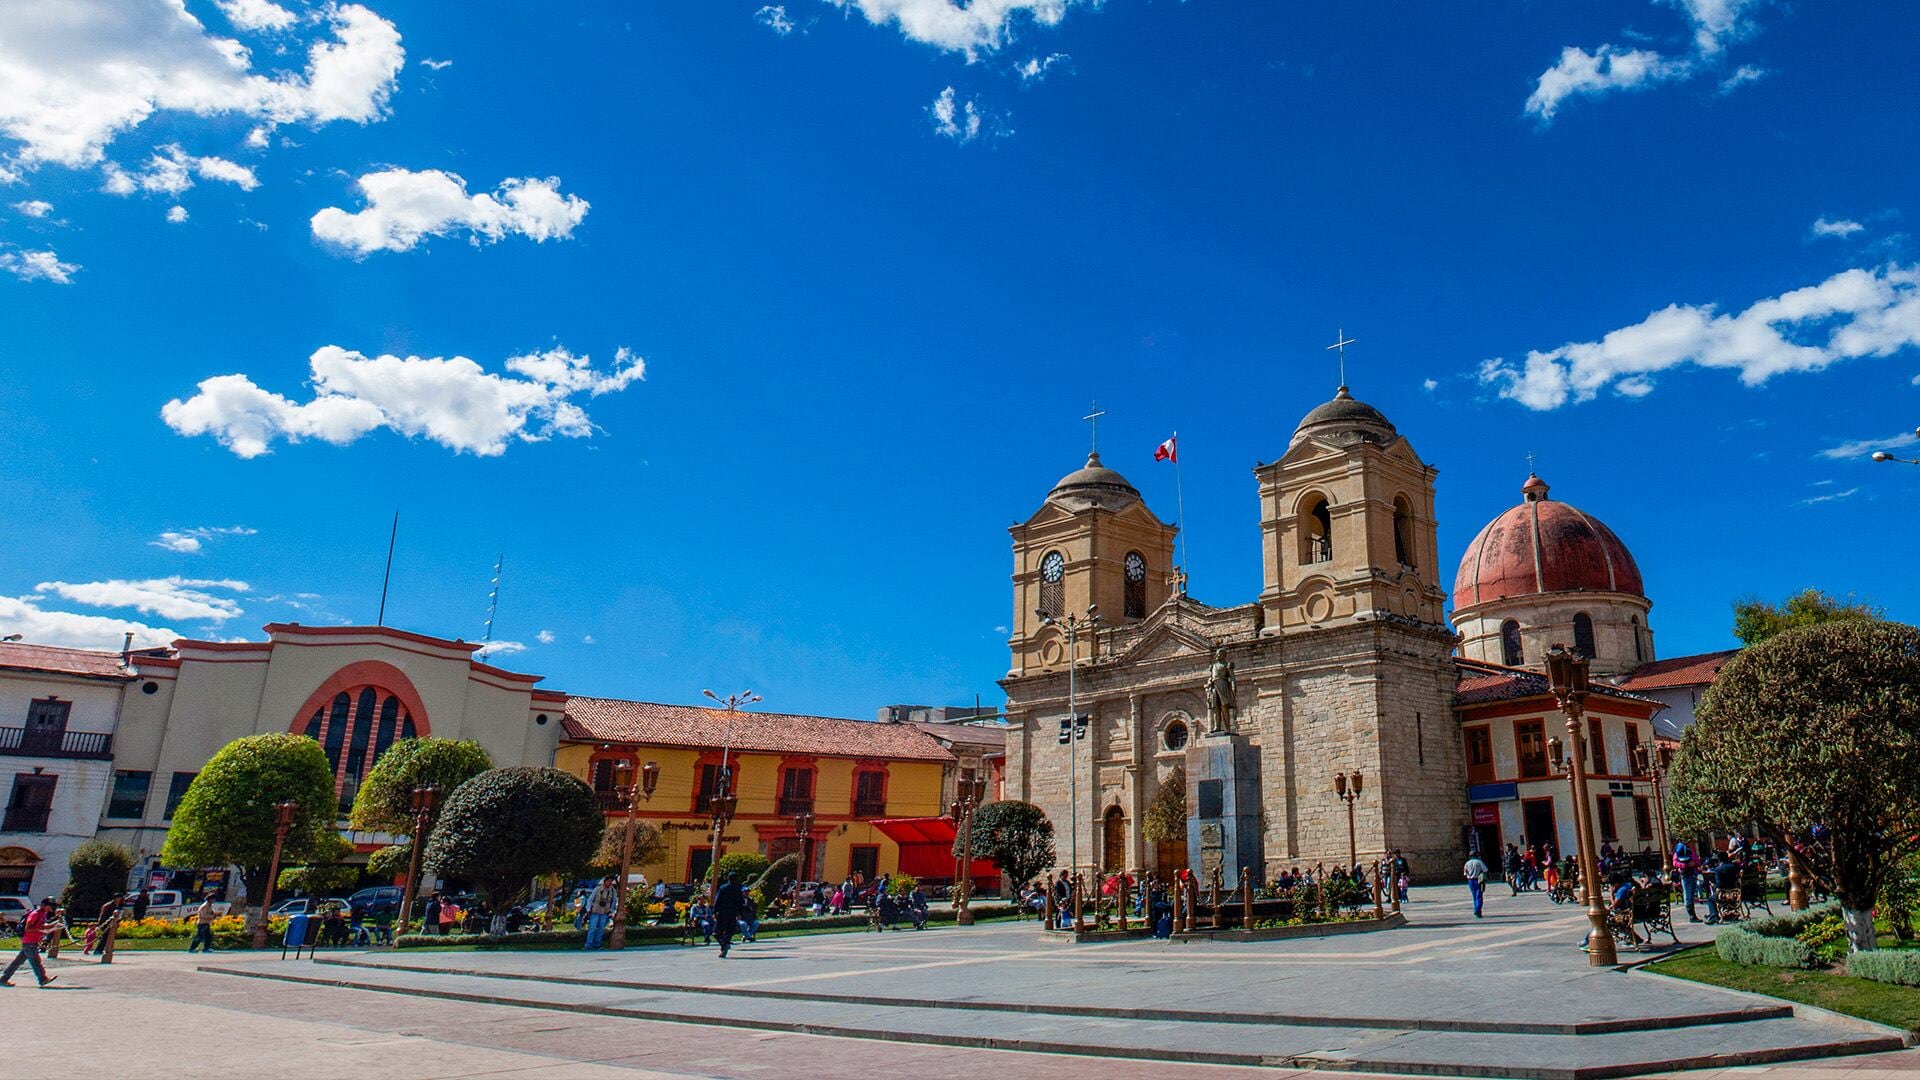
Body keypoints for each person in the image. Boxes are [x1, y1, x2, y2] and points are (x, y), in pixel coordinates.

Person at [2, 897, 60, 987]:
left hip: (31, 941)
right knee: (36, 961)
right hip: (29, 941)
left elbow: (41, 925)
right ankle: (42, 979)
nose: (51, 908)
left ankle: (3, 979)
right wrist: (42, 928)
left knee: (17, 962)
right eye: (49, 906)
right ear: (43, 905)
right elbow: (28, 928)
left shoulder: (42, 914)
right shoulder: (35, 914)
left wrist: (52, 926)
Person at [713, 873, 744, 958]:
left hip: (723, 912)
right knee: (729, 931)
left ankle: (724, 945)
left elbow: (718, 899)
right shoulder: (738, 889)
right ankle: (724, 947)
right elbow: (741, 902)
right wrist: (740, 913)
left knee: (716, 932)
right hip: (733, 912)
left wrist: (714, 911)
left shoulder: (723, 888)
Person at [583, 877, 617, 949]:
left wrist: (611, 911)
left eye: (611, 881)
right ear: (604, 881)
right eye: (608, 881)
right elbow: (590, 899)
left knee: (600, 929)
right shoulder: (597, 889)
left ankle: (597, 944)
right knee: (592, 928)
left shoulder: (612, 891)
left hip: (605, 912)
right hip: (595, 911)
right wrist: (588, 909)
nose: (609, 883)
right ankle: (588, 944)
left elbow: (614, 901)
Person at [1673, 840, 1701, 923]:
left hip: (1693, 874)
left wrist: (1694, 863)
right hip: (1685, 875)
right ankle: (1691, 915)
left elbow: (1697, 861)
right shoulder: (1678, 851)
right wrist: (1685, 865)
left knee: (1692, 893)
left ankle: (1693, 914)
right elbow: (1675, 863)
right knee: (1687, 894)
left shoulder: (1691, 852)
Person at [1463, 851, 1490, 918]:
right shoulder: (1479, 862)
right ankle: (1478, 910)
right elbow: (1485, 870)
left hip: (1470, 880)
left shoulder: (1467, 863)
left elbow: (1465, 873)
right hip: (1478, 880)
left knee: (1474, 896)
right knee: (1479, 896)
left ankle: (1476, 909)